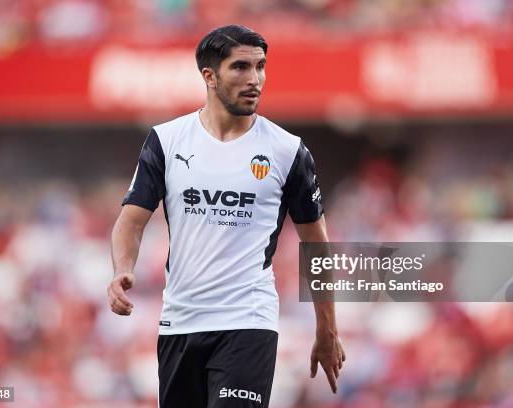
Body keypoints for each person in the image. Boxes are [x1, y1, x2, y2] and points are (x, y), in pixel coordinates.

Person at [108, 24, 345, 408]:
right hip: (180, 322)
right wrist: (122, 268)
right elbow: (130, 222)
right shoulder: (167, 141)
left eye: (260, 67)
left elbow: (316, 246)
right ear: (210, 76)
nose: (255, 80)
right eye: (240, 68)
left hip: (248, 320)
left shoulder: (287, 151)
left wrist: (327, 327)